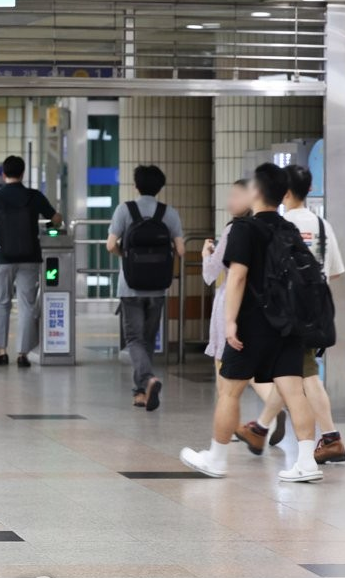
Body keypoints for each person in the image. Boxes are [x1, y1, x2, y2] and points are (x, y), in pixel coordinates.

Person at [181, 163, 322, 482]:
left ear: (256, 191)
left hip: (251, 326)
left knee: (229, 392)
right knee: (294, 392)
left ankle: (216, 458)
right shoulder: (288, 229)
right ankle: (306, 462)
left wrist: (229, 322)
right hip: (288, 325)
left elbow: (238, 277)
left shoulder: (245, 228)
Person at [235, 165, 344, 463]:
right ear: (310, 190)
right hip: (315, 308)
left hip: (285, 313)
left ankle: (331, 438)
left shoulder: (279, 225)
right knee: (292, 372)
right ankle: (261, 427)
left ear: (282, 192)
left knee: (302, 374)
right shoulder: (322, 225)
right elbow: (334, 272)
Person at [202, 181, 286, 444]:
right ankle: (273, 407)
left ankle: (230, 427)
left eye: (237, 195)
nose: (231, 200)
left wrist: (206, 254)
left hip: (231, 301)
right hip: (258, 303)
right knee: (246, 371)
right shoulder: (268, 229)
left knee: (224, 366)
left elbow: (211, 273)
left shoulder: (235, 230)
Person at [106, 165, 184, 411]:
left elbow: (110, 245)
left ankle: (147, 380)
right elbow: (181, 250)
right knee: (147, 339)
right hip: (158, 288)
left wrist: (125, 256)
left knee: (133, 338)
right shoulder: (168, 213)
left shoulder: (125, 210)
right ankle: (141, 393)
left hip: (130, 287)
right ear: (160, 187)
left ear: (136, 185)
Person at [0, 155, 63, 367]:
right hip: (30, 256)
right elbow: (56, 218)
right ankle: (23, 354)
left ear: (3, 174)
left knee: (2, 303)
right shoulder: (34, 196)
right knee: (26, 305)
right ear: (23, 173)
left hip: (2, 257)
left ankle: (1, 351)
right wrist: (52, 227)